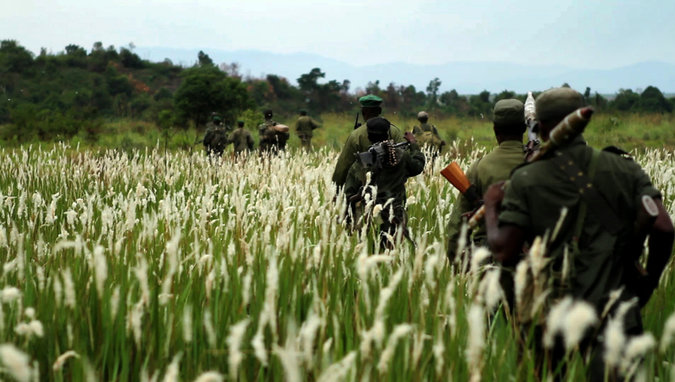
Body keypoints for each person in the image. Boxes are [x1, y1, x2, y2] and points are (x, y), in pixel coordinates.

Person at [483, 87, 674, 380]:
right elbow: (663, 227)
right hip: (616, 311)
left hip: (551, 317)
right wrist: (646, 284)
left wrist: (492, 206)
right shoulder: (625, 168)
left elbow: (504, 251)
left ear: (539, 127)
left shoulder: (526, 178)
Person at [446, 99, 526, 261]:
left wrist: (456, 259)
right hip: (533, 258)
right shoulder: (541, 163)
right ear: (524, 128)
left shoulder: (479, 167)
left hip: (489, 259)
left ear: (495, 129)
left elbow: (456, 226)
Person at [343, 117, 425, 249]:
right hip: (395, 215)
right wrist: (414, 144)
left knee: (369, 250)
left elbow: (349, 192)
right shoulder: (401, 156)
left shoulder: (361, 162)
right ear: (388, 134)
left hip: (368, 217)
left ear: (369, 136)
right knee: (392, 251)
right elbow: (417, 166)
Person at [332, 94, 405, 190]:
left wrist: (337, 188)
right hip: (393, 189)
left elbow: (344, 164)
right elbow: (404, 158)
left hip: (363, 189)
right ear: (379, 111)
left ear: (363, 112)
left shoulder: (356, 135)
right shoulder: (394, 131)